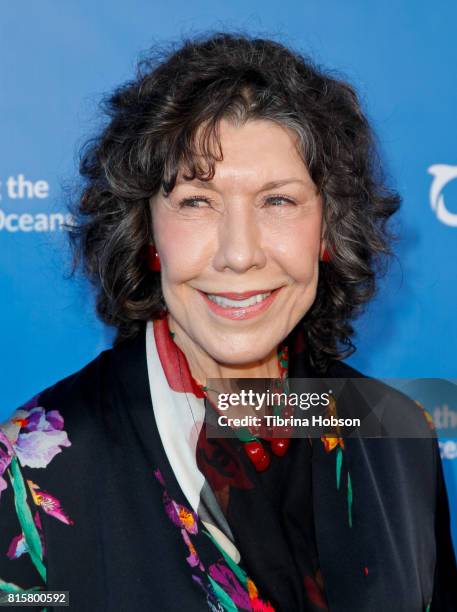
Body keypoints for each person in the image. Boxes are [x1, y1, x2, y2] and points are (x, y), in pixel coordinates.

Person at [0, 33, 456, 612]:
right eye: (196, 202)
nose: (239, 254)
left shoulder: (397, 434)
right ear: (147, 235)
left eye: (279, 202)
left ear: (327, 232)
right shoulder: (31, 475)